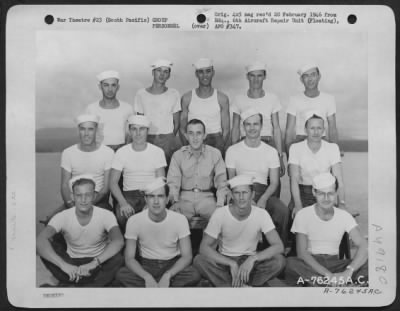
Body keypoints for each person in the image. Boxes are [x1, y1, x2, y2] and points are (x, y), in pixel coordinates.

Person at [193, 175, 285, 287]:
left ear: (253, 195)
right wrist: (231, 263)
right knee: (199, 260)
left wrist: (253, 259)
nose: (241, 197)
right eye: (237, 193)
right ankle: (245, 285)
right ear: (231, 195)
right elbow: (203, 248)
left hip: (250, 262)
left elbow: (279, 246)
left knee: (279, 261)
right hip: (225, 261)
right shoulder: (220, 213)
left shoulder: (261, 214)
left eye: (245, 192)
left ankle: (231, 284)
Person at [37, 175, 124, 287]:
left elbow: (118, 241)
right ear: (72, 197)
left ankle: (72, 283)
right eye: (79, 195)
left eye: (88, 195)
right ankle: (93, 284)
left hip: (98, 262)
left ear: (94, 196)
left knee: (118, 258)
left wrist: (94, 263)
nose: (83, 200)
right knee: (46, 249)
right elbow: (40, 240)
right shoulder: (62, 216)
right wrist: (64, 265)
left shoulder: (106, 215)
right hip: (71, 263)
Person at [284, 173, 368, 287]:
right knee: (290, 264)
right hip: (311, 264)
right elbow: (302, 253)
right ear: (314, 192)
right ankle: (337, 285)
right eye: (321, 194)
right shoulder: (303, 214)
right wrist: (328, 275)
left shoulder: (344, 216)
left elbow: (363, 244)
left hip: (335, 264)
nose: (326, 198)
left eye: (331, 194)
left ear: (336, 193)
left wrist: (348, 271)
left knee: (370, 263)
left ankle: (322, 284)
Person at [115, 177, 201, 287]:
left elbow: (187, 256)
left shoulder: (180, 219)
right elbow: (129, 258)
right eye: (151, 196)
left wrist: (168, 275)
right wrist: (146, 276)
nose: (156, 202)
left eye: (160, 196)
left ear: (166, 199)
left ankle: (154, 289)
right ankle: (162, 288)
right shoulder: (134, 220)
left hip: (172, 264)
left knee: (194, 274)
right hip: (146, 264)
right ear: (146, 199)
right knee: (121, 274)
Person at [225, 108, 290, 246]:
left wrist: (263, 199)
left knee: (282, 211)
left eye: (255, 124)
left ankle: (277, 250)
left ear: (261, 126)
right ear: (243, 127)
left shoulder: (271, 152)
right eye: (248, 124)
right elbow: (231, 181)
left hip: (264, 192)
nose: (252, 128)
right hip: (240, 192)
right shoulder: (232, 150)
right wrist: (245, 198)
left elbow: (274, 182)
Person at [41, 114, 115, 224]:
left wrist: (85, 205)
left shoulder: (108, 153)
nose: (86, 134)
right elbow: (65, 185)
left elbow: (105, 189)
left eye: (90, 129)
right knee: (52, 225)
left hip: (98, 201)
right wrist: (70, 204)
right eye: (82, 129)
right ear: (78, 130)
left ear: (96, 131)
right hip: (75, 200)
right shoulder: (68, 153)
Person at [109, 115, 167, 232]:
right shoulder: (121, 152)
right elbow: (113, 182)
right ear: (130, 131)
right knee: (122, 215)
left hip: (151, 193)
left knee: (153, 217)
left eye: (142, 129)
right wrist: (123, 203)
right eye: (134, 129)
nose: (138, 133)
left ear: (147, 131)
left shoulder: (157, 152)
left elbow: (161, 181)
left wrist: (151, 202)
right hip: (129, 195)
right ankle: (130, 244)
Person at [167, 118, 228, 227]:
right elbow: (173, 182)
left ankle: (210, 244)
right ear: (186, 136)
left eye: (198, 133)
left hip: (207, 198)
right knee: (171, 220)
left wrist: (220, 204)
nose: (195, 138)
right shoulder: (178, 155)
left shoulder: (214, 154)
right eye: (191, 133)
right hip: (184, 199)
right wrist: (175, 202)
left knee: (222, 220)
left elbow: (221, 182)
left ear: (204, 135)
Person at [288, 112, 349, 218]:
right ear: (305, 130)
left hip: (325, 194)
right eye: (312, 128)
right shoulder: (295, 148)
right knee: (294, 222)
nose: (316, 132)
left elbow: (339, 180)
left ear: (323, 131)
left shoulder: (332, 148)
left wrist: (342, 203)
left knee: (338, 220)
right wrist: (298, 206)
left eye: (319, 128)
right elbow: (294, 180)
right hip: (303, 193)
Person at [231, 61, 285, 177]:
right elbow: (235, 128)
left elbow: (276, 128)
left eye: (259, 75)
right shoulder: (238, 99)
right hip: (245, 143)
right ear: (247, 77)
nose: (256, 80)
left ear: (264, 76)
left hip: (268, 143)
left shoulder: (272, 98)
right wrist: (234, 152)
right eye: (252, 75)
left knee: (271, 181)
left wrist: (279, 156)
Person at [134, 59, 181, 164]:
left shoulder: (174, 93)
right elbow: (140, 121)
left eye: (166, 71)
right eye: (159, 70)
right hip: (148, 138)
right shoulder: (141, 94)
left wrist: (168, 139)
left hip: (167, 139)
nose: (162, 74)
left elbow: (176, 122)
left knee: (166, 170)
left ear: (169, 75)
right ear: (153, 72)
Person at [180, 58, 230, 155]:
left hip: (215, 140)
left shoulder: (222, 98)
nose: (205, 75)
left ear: (213, 73)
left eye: (208, 71)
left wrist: (219, 146)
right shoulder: (187, 98)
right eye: (201, 72)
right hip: (194, 140)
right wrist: (188, 146)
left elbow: (226, 129)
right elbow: (182, 128)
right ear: (196, 74)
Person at [285, 63, 338, 154]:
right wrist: (289, 157)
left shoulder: (329, 99)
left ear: (319, 76)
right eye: (306, 76)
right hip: (300, 144)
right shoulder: (294, 100)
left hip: (322, 144)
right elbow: (289, 131)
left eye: (313, 75)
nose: (310, 79)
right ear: (302, 80)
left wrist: (334, 154)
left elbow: (332, 129)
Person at [86, 70, 133, 152]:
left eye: (113, 85)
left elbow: (132, 133)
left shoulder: (128, 108)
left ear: (118, 87)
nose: (110, 89)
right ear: (100, 87)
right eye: (106, 85)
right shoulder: (91, 109)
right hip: (99, 152)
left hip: (122, 152)